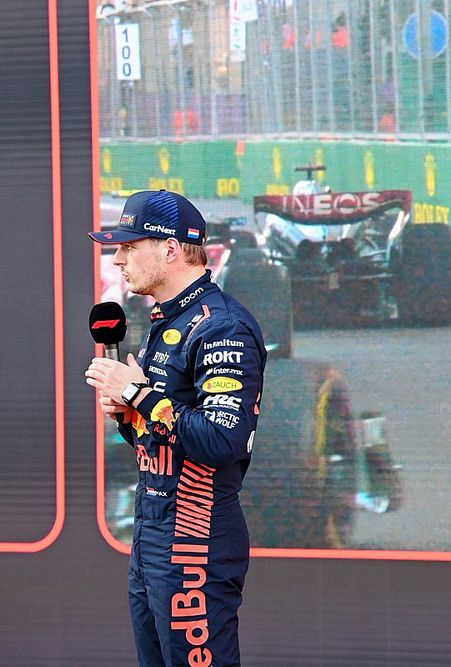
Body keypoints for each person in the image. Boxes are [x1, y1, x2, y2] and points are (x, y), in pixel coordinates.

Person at [85, 190, 267, 667]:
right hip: (153, 535)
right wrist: (130, 419)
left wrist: (139, 396)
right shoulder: (167, 321)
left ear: (169, 249)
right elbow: (164, 438)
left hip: (195, 540)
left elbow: (222, 440)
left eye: (129, 246)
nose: (118, 258)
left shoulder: (221, 327)